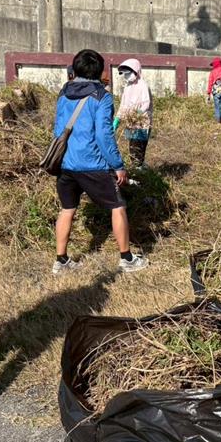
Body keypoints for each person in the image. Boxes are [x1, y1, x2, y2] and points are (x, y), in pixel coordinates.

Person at [52, 49, 149, 274]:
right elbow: (104, 135)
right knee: (118, 206)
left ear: (75, 69)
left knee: (67, 209)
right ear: (99, 71)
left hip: (65, 163)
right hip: (92, 164)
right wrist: (118, 165)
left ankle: (61, 261)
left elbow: (58, 128)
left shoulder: (64, 92)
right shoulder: (101, 97)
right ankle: (127, 258)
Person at [112, 58, 153, 166]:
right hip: (130, 123)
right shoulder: (128, 87)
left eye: (128, 73)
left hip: (142, 123)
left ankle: (140, 170)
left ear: (136, 71)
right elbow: (123, 105)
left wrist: (137, 114)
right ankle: (139, 168)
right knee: (132, 149)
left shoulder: (143, 85)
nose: (126, 76)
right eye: (124, 74)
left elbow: (146, 103)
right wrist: (117, 119)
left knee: (138, 149)